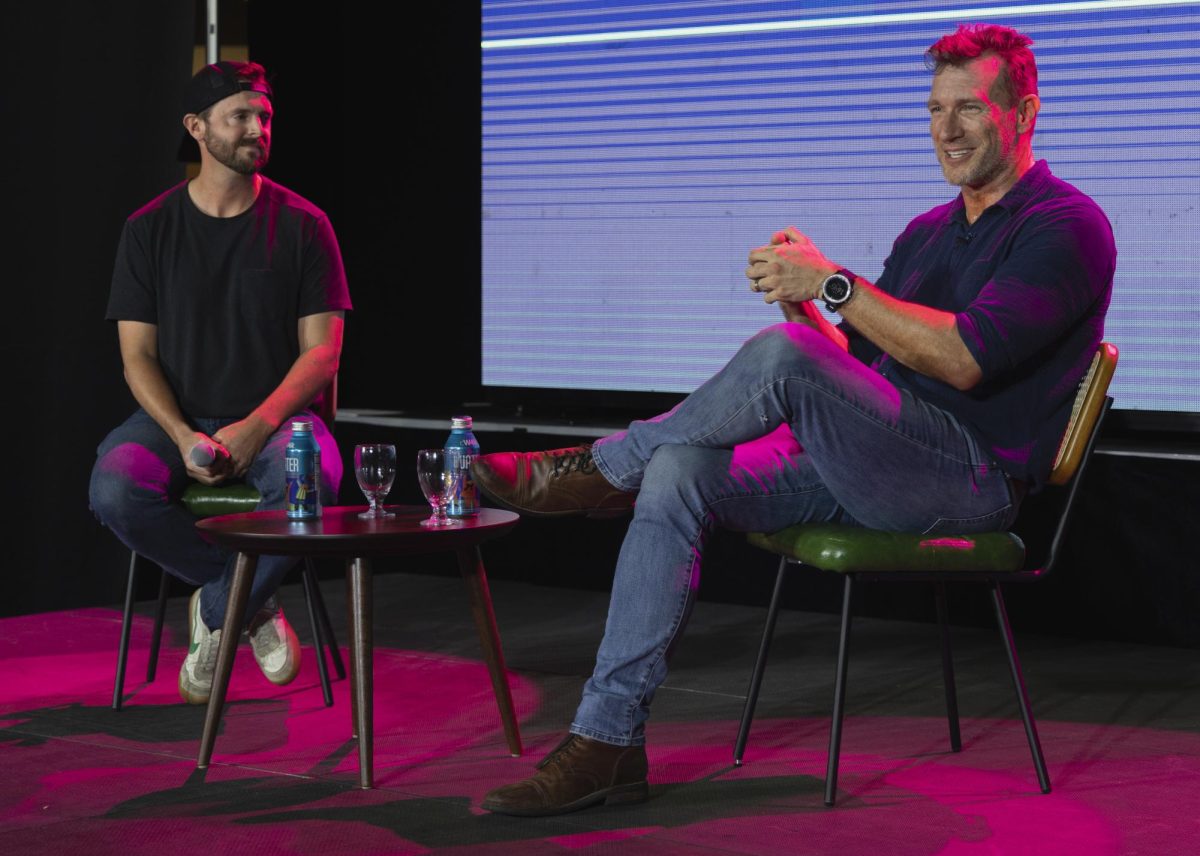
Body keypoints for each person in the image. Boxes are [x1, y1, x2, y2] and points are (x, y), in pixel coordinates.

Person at [472, 24, 1115, 816]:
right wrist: (803, 302)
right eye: (934, 109)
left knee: (777, 360)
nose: (946, 129)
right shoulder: (926, 233)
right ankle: (607, 743)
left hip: (968, 478)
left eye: (970, 109)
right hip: (876, 458)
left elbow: (963, 361)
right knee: (681, 469)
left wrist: (834, 284)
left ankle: (605, 468)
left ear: (1024, 114)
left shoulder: (1067, 226)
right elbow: (857, 373)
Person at [88, 61, 352, 705]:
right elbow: (137, 357)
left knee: (310, 474)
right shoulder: (149, 229)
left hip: (274, 420)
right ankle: (248, 606)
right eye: (240, 116)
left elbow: (322, 356)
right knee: (115, 487)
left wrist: (255, 425)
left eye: (264, 116)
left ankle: (214, 610)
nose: (257, 128)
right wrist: (181, 435)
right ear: (197, 127)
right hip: (173, 417)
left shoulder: (303, 224)